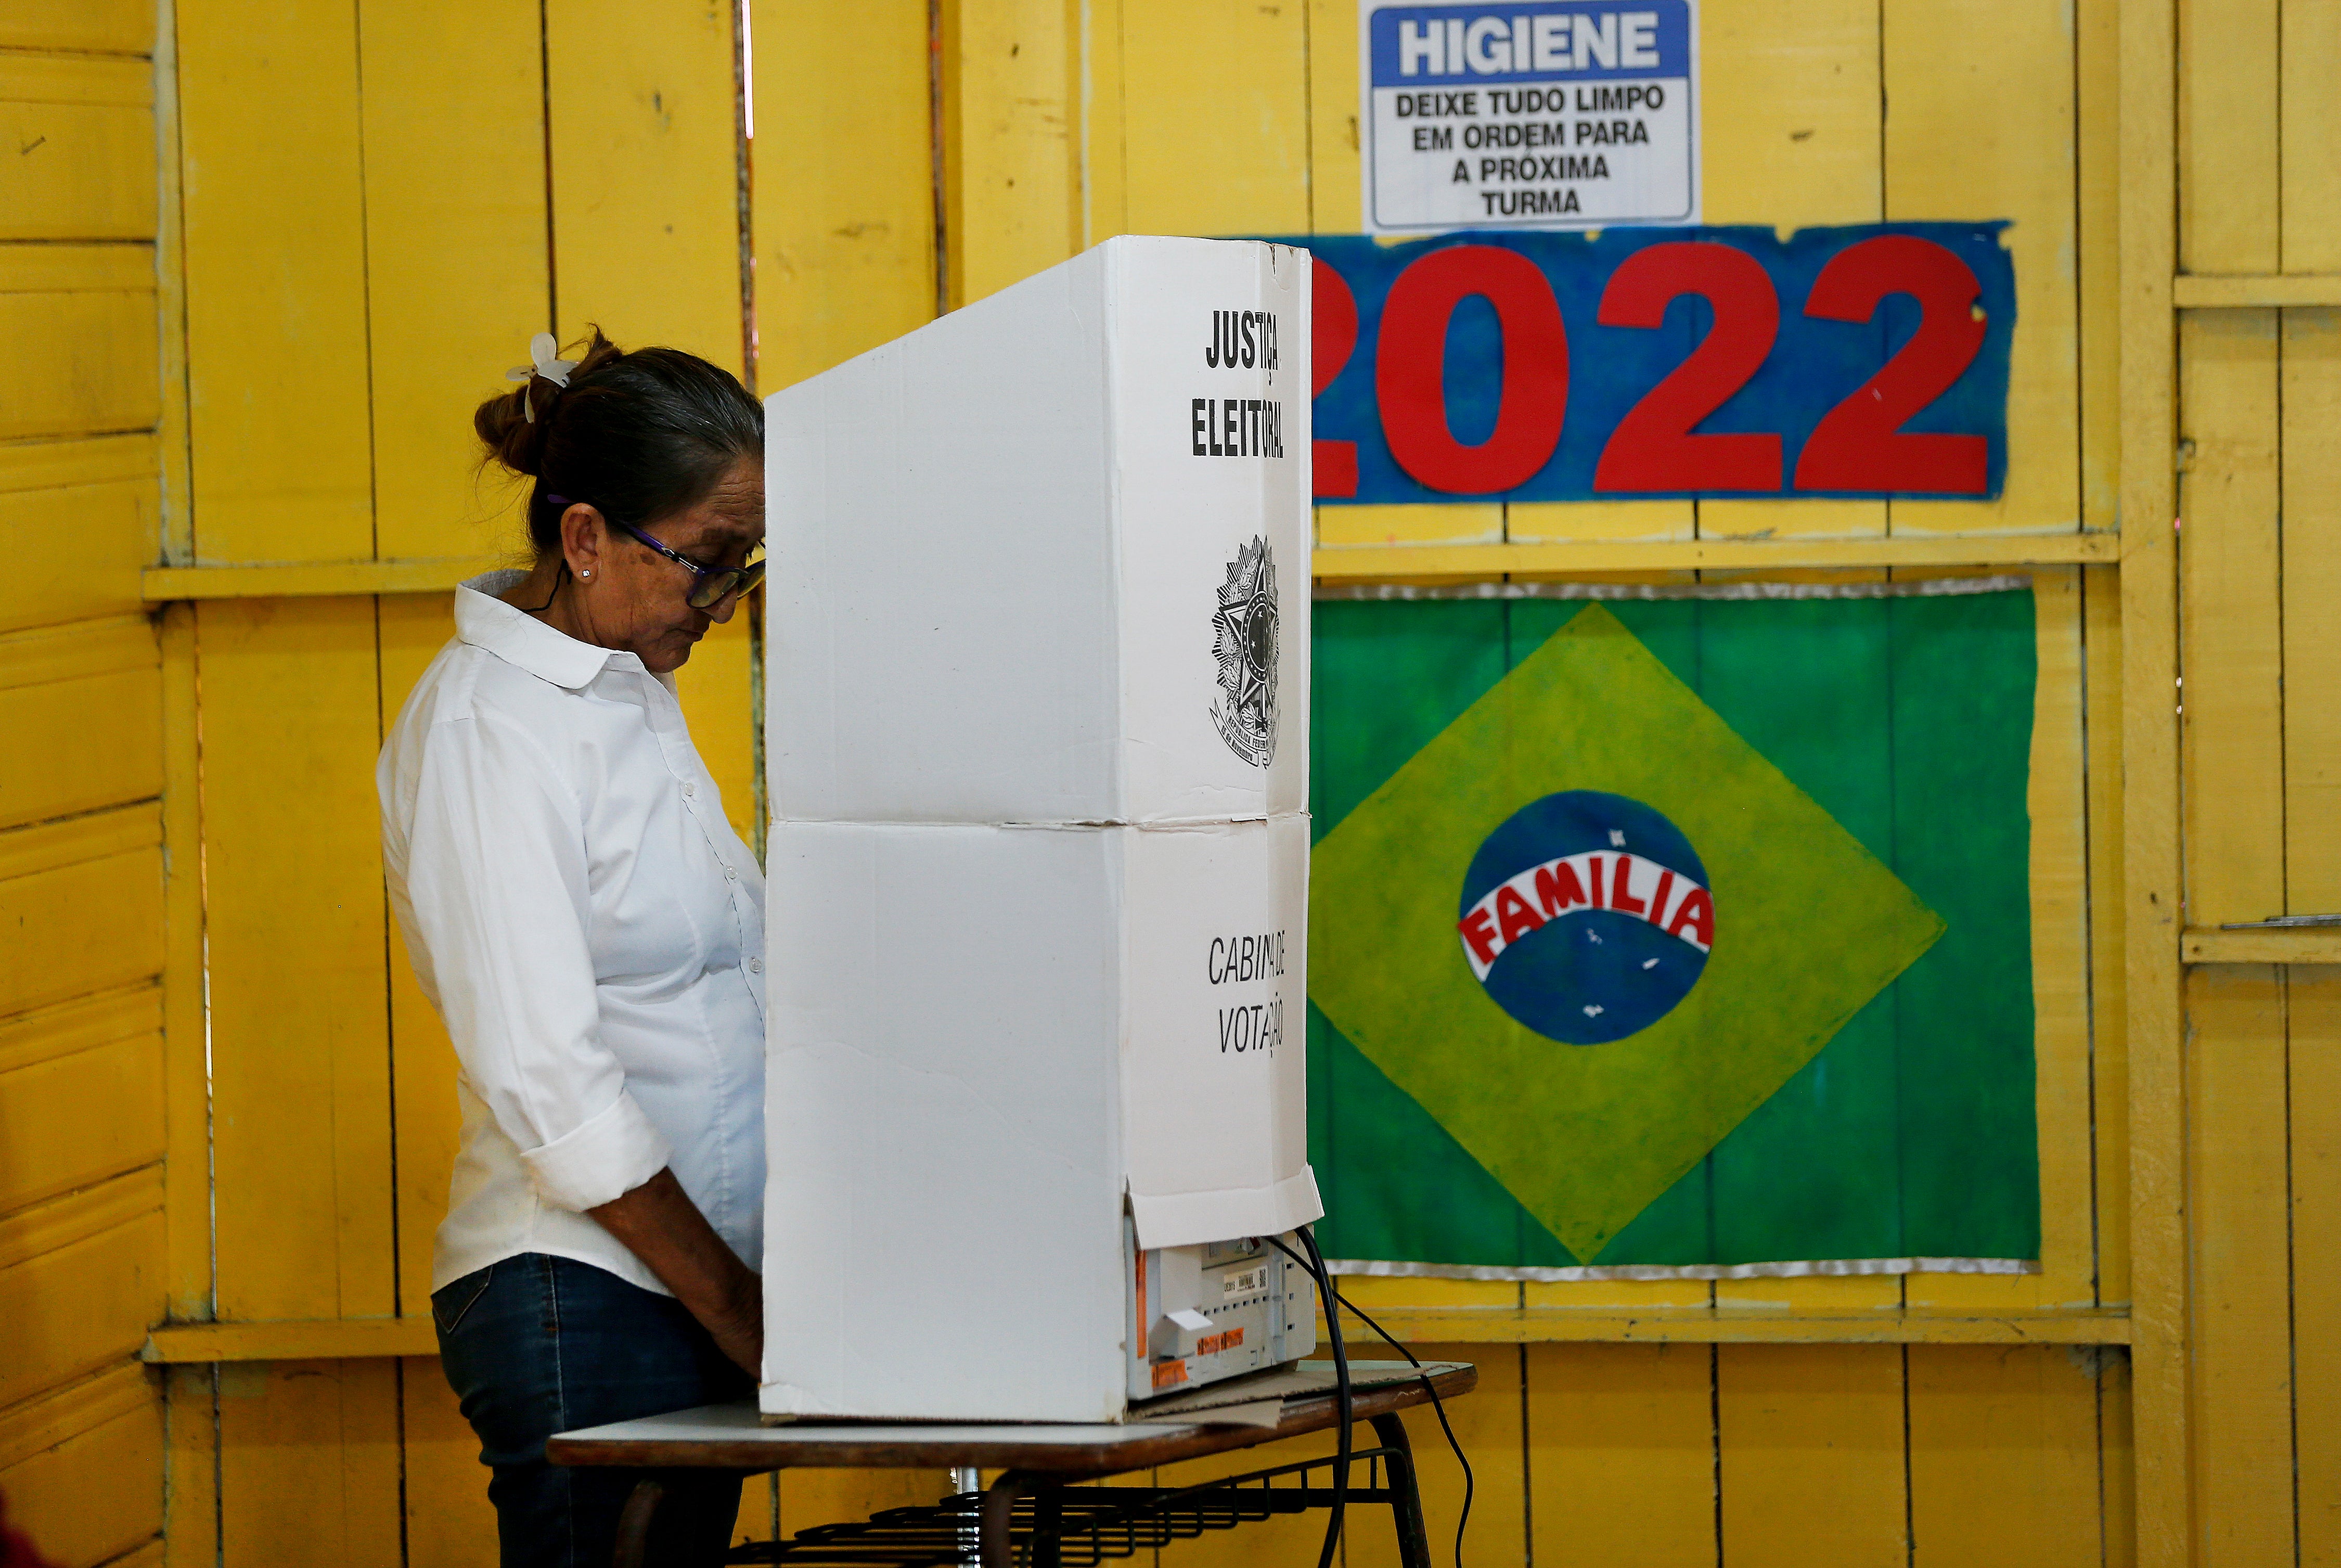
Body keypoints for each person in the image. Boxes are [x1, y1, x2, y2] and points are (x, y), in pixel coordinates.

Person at [378, 329, 769, 1566]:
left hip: (676, 1291)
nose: (722, 599)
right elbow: (554, 1085)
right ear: (587, 537)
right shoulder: (490, 732)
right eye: (706, 562)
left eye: (744, 564)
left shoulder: (620, 688)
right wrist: (734, 1304)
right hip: (584, 1291)